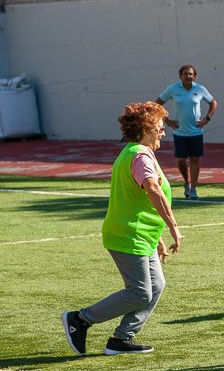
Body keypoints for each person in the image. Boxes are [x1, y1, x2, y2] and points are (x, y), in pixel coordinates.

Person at [62, 102, 183, 356]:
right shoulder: (139, 155)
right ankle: (80, 319)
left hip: (140, 235)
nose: (163, 133)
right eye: (160, 128)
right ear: (146, 128)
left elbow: (135, 201)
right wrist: (173, 226)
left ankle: (121, 339)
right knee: (140, 292)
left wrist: (158, 237)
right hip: (128, 235)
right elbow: (152, 189)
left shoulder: (136, 152)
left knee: (156, 285)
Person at [155, 64, 217, 200]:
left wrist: (207, 119)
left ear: (194, 76)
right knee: (180, 160)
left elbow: (213, 103)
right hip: (179, 133)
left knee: (195, 159)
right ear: (180, 76)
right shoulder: (173, 89)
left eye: (190, 74)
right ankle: (186, 182)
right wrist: (168, 121)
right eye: (185, 74)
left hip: (196, 132)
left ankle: (193, 189)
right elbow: (157, 104)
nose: (188, 76)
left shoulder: (200, 89)